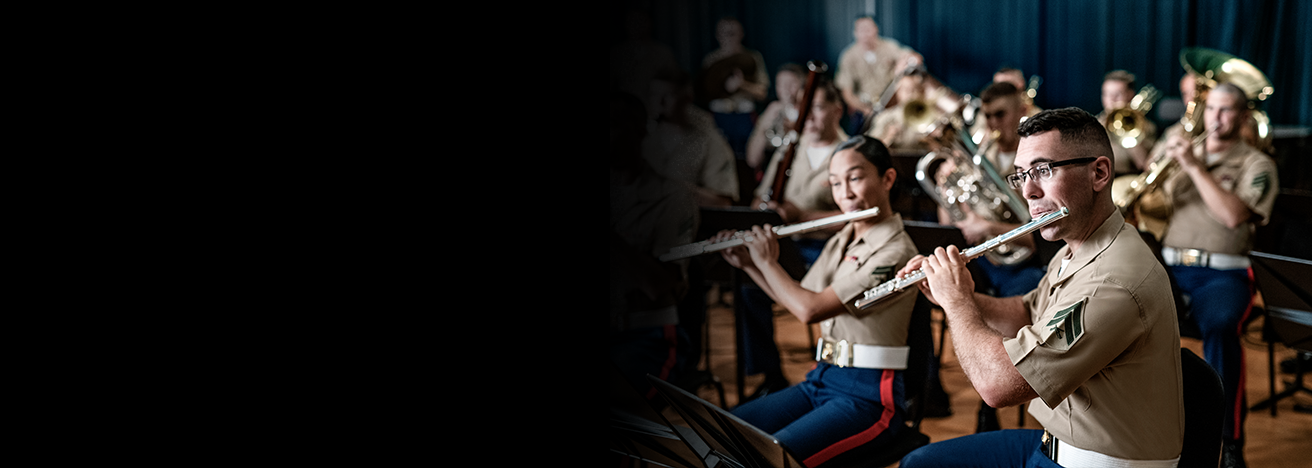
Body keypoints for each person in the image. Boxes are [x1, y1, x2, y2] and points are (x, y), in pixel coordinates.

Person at [899, 107, 1185, 467]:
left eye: (1044, 170)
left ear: (1099, 173)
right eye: (1022, 175)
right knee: (922, 463)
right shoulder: (1080, 246)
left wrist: (957, 303)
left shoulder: (1113, 283)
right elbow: (1025, 312)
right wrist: (958, 291)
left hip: (1093, 461)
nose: (1029, 192)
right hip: (1053, 444)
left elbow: (996, 386)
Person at [719, 135, 919, 468]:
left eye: (855, 178)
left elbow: (809, 310)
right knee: (724, 432)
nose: (846, 194)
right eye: (836, 183)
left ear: (887, 179)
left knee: (771, 459)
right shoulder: (843, 237)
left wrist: (768, 262)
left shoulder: (896, 252)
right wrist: (750, 265)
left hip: (869, 395)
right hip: (822, 378)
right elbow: (798, 298)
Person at [1156, 82, 1279, 468]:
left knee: (1222, 327)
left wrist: (1194, 166)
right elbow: (1147, 191)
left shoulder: (1257, 165)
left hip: (1223, 274)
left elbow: (1232, 216)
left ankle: (1229, 443)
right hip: (1169, 267)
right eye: (1211, 109)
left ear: (1243, 117)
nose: (1216, 118)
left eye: (1227, 111)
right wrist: (1169, 153)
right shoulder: (1183, 150)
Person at [738, 78, 850, 400]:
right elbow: (762, 198)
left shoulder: (849, 152)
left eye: (816, 108)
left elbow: (859, 218)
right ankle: (770, 373)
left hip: (831, 248)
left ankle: (833, 377)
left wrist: (801, 216)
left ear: (837, 110)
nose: (808, 118)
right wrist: (765, 210)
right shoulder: (791, 148)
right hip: (789, 245)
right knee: (749, 288)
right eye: (803, 109)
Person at [609, 91, 699, 403]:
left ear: (639, 131)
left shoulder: (670, 197)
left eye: (616, 125)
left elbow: (659, 283)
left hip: (646, 337)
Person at [645, 69, 740, 207]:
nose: (659, 102)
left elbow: (724, 203)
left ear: (687, 97)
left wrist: (679, 191)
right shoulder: (640, 137)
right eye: (654, 95)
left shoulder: (709, 141)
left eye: (668, 95)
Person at [835, 15, 922, 135]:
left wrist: (903, 65)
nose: (865, 34)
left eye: (868, 29)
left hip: (891, 106)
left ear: (876, 29)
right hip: (864, 110)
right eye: (861, 30)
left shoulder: (889, 46)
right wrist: (865, 110)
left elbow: (915, 58)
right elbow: (847, 93)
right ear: (855, 33)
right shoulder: (849, 57)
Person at [701, 16, 770, 161]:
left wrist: (742, 85)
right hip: (719, 116)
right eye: (724, 33)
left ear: (741, 34)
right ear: (717, 36)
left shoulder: (753, 58)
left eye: (733, 33)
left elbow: (762, 92)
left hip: (745, 117)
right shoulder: (711, 60)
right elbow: (703, 93)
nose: (729, 38)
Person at [746, 63, 805, 172]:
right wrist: (764, 126)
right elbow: (752, 160)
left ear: (802, 86)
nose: (785, 89)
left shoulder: (810, 113)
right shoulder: (772, 110)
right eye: (781, 84)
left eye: (791, 84)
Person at [1098, 70, 1157, 176]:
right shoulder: (1094, 124)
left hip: (1127, 180)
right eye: (1106, 94)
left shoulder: (1146, 126)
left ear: (1130, 95)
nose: (1111, 99)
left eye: (1117, 94)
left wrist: (1130, 132)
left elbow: (1144, 165)